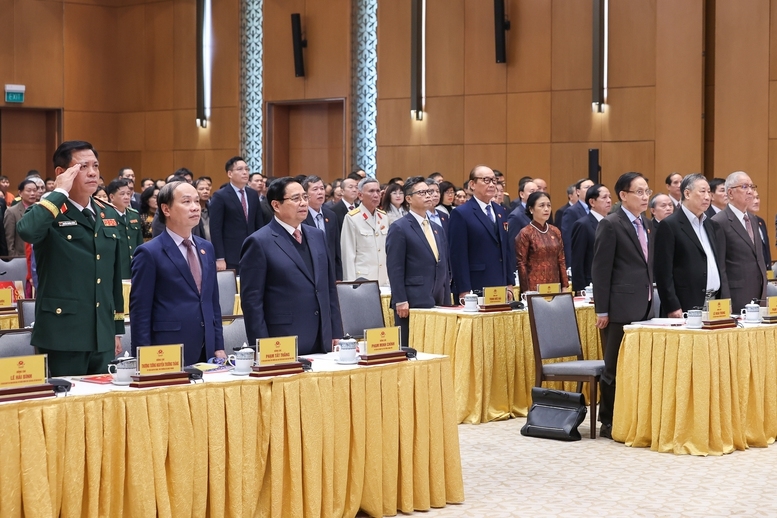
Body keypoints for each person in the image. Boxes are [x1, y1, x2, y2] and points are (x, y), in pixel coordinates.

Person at [18, 140, 124, 376]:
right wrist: (59, 192)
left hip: (102, 333)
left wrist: (116, 328)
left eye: (95, 165)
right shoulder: (49, 210)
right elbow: (27, 231)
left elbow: (113, 276)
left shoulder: (107, 213)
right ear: (61, 172)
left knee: (104, 398)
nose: (93, 172)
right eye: (83, 166)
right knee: (67, 398)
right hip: (63, 334)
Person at [240, 177, 342, 355]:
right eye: (295, 199)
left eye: (304, 197)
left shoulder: (317, 235)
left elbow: (329, 289)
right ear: (276, 205)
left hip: (322, 338)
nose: (303, 203)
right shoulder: (259, 242)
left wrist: (336, 331)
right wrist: (262, 347)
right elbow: (252, 302)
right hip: (282, 342)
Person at [130, 182, 225, 366]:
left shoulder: (206, 248)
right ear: (166, 209)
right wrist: (142, 357)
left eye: (197, 201)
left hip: (207, 348)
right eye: (186, 202)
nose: (195, 207)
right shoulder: (149, 252)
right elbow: (140, 311)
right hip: (167, 349)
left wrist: (218, 344)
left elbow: (213, 302)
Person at [592, 172, 654, 439]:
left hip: (645, 305)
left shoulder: (647, 224)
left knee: (638, 366)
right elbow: (600, 269)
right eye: (639, 192)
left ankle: (632, 416)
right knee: (613, 367)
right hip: (618, 307)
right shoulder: (611, 224)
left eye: (647, 191)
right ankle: (607, 420)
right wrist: (602, 310)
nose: (645, 196)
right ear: (623, 195)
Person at [386, 176, 450, 347]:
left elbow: (443, 265)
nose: (428, 195)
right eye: (422, 193)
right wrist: (400, 299)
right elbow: (395, 267)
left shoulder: (437, 228)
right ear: (408, 199)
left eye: (429, 191)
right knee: (411, 346)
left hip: (438, 297)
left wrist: (447, 299)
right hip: (412, 300)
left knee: (435, 346)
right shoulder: (399, 227)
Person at [654, 174, 728, 317]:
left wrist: (725, 299)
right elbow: (663, 272)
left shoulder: (711, 225)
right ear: (687, 194)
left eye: (709, 192)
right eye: (702, 191)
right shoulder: (669, 225)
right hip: (685, 304)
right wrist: (672, 306)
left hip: (715, 303)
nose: (707, 197)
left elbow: (719, 266)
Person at [448, 165, 515, 298]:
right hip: (475, 284)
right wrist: (463, 289)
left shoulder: (500, 211)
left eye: (494, 181)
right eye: (486, 180)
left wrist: (509, 283)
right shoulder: (461, 213)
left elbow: (506, 249)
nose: (492, 185)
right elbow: (458, 255)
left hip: (500, 282)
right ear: (472, 184)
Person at [712, 171, 767, 312]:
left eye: (752, 187)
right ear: (730, 193)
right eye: (744, 187)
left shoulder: (753, 219)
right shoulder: (719, 221)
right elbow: (720, 266)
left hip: (759, 293)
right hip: (736, 296)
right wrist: (726, 300)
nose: (750, 191)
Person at [209, 156, 265, 273]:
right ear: (230, 173)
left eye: (247, 169)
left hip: (253, 251)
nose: (245, 172)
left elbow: (259, 224)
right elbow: (215, 229)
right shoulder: (220, 196)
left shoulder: (252, 194)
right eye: (240, 169)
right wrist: (220, 258)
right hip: (231, 255)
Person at [516, 191, 568, 292]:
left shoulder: (555, 231)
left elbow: (561, 260)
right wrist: (526, 290)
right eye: (542, 205)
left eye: (549, 205)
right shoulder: (526, 233)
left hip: (554, 284)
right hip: (534, 287)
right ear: (531, 209)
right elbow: (521, 264)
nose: (546, 209)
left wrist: (564, 286)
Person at [341, 178, 389, 285]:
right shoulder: (352, 218)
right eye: (371, 191)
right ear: (360, 195)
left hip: (384, 278)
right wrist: (351, 285)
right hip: (362, 279)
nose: (376, 195)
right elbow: (348, 255)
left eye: (378, 191)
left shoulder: (384, 217)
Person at [570, 184, 611, 292]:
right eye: (604, 197)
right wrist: (580, 290)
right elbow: (578, 261)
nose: (609, 200)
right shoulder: (583, 225)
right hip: (590, 285)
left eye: (610, 197)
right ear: (592, 202)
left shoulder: (612, 223)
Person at [302, 175, 342, 280]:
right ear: (306, 194)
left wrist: (338, 277)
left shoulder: (331, 215)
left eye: (322, 188)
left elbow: (336, 249)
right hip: (310, 273)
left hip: (330, 273)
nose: (320, 192)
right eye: (315, 189)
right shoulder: (301, 217)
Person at [105, 178, 143, 279]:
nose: (126, 197)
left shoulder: (134, 215)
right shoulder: (105, 216)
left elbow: (139, 242)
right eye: (122, 194)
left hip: (134, 267)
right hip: (116, 269)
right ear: (112, 197)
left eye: (128, 194)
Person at [560, 178, 594, 263]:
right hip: (579, 258)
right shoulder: (571, 211)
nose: (590, 190)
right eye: (587, 187)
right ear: (578, 192)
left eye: (592, 187)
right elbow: (567, 239)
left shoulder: (596, 209)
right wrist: (570, 264)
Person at [506, 179, 538, 265]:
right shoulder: (515, 216)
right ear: (522, 194)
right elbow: (512, 245)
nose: (536, 194)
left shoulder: (538, 212)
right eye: (532, 191)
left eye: (537, 191)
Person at [4, 179, 38, 257]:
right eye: (29, 191)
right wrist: (13, 257)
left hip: (39, 256)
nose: (32, 193)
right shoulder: (12, 212)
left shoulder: (42, 210)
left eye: (34, 190)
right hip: (21, 256)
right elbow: (9, 238)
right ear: (20, 193)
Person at [750, 190, 771, 267]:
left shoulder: (760, 221)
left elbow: (766, 247)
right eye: (752, 198)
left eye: (757, 198)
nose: (756, 201)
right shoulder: (741, 222)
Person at [194, 177, 212, 241]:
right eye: (201, 189)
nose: (205, 191)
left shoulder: (212, 208)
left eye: (207, 189)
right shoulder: (192, 210)